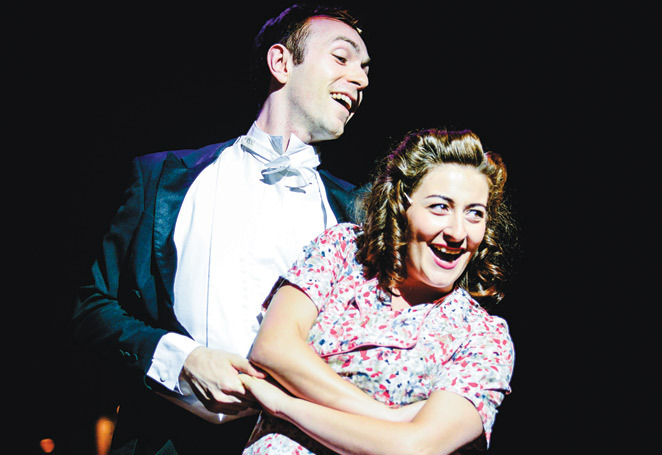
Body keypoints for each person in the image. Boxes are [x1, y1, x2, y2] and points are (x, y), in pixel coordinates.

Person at [72, 4, 370, 454]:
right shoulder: (162, 178)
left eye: (366, 69)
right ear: (281, 63)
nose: (362, 80)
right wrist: (181, 359)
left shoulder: (359, 214)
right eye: (343, 58)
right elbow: (91, 307)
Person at [239, 128, 516, 454]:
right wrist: (388, 418)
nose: (457, 232)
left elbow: (412, 449)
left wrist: (285, 405)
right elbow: (272, 347)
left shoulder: (483, 336)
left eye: (475, 213)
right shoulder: (344, 251)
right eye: (440, 207)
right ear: (400, 205)